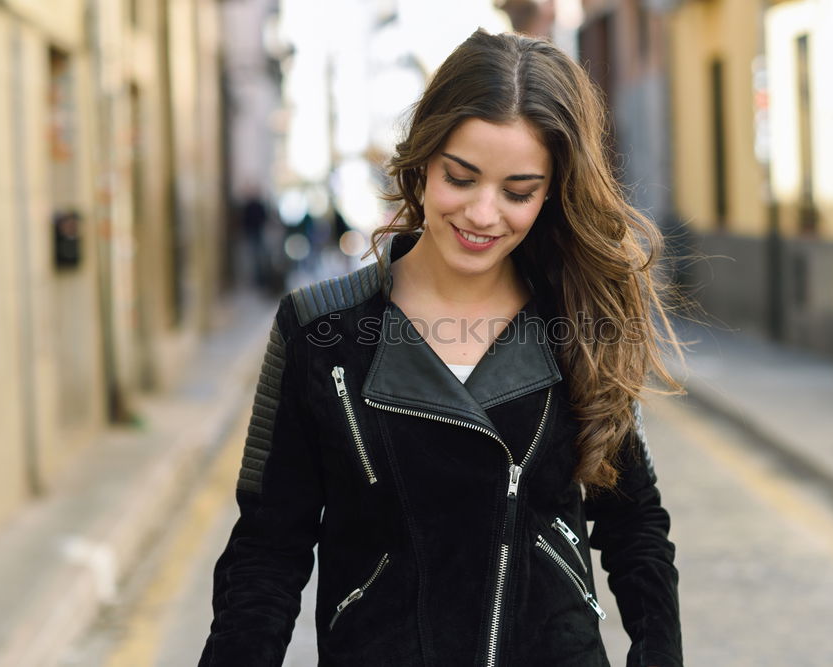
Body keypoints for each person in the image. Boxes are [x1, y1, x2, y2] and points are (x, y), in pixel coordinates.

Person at [200, 29, 683, 667]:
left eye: (518, 191)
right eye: (461, 178)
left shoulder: (580, 321)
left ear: (551, 193)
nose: (484, 214)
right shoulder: (318, 330)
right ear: (423, 161)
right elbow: (267, 550)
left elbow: (636, 528)